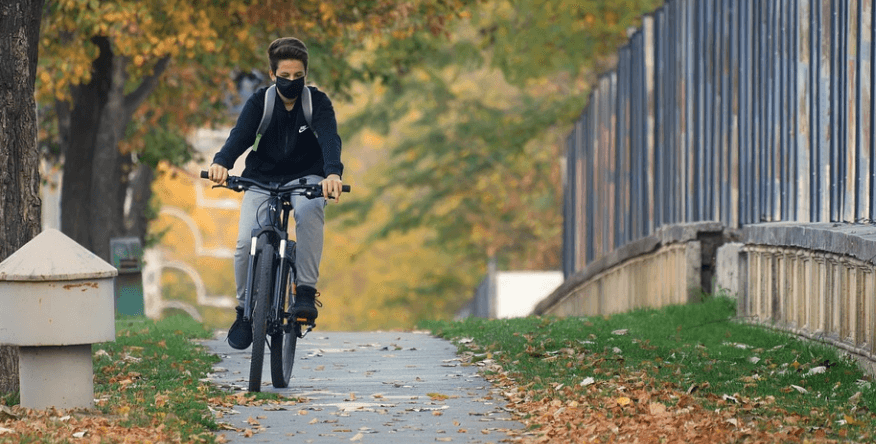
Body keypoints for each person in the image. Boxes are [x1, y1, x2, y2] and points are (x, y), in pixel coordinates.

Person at [208, 37, 344, 350]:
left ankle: (306, 292)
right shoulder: (261, 102)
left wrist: (333, 173)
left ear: (306, 75)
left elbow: (329, 139)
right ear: (273, 75)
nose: (292, 82)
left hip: (306, 176)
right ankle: (244, 312)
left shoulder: (317, 103)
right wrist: (220, 162)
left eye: (299, 77)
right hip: (262, 178)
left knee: (310, 211)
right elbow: (240, 136)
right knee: (245, 243)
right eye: (285, 76)